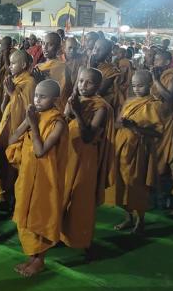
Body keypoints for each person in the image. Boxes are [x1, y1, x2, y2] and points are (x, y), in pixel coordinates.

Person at [7, 80, 68, 276]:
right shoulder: (34, 115)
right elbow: (11, 140)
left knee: (39, 215)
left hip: (45, 179)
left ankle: (39, 260)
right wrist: (27, 121)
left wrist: (32, 125)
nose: (37, 100)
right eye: (36, 95)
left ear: (56, 100)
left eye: (43, 96)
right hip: (26, 176)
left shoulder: (58, 121)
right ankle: (32, 256)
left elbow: (41, 151)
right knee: (26, 214)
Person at [61, 67, 115, 258]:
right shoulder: (77, 99)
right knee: (62, 195)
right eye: (81, 81)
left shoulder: (101, 107)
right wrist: (71, 105)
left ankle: (84, 240)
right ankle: (61, 235)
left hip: (85, 158)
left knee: (80, 199)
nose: (83, 85)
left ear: (98, 85)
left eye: (89, 82)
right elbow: (64, 118)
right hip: (68, 153)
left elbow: (88, 136)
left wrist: (77, 112)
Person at [108, 70, 162, 234]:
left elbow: (158, 132)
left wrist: (135, 127)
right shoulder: (129, 101)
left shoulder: (154, 104)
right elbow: (117, 123)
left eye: (141, 85)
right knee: (121, 184)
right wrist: (122, 124)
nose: (137, 89)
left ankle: (141, 220)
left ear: (150, 85)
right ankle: (128, 218)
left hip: (139, 151)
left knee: (136, 184)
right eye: (134, 85)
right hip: (121, 148)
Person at [0, 50, 35, 211]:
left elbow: (28, 109)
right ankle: (3, 198)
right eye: (10, 62)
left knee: (14, 164)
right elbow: (4, 108)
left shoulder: (29, 82)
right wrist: (7, 93)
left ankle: (16, 202)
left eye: (13, 63)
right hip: (6, 125)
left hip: (18, 129)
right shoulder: (13, 81)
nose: (10, 66)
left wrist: (12, 93)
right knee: (0, 159)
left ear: (23, 65)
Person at [151, 50, 173, 182]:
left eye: (158, 60)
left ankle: (163, 177)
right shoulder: (160, 74)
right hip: (155, 115)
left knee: (163, 149)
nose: (154, 62)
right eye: (154, 59)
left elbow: (169, 98)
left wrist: (156, 80)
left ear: (167, 62)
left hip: (167, 117)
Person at [34, 32, 72, 112]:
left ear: (58, 48)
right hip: (37, 106)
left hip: (53, 110)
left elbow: (63, 94)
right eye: (43, 43)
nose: (45, 47)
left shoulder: (63, 67)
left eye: (50, 44)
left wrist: (43, 81)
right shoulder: (38, 67)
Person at [90, 39, 123, 116]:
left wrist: (91, 68)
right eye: (95, 47)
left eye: (100, 49)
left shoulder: (111, 70)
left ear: (108, 54)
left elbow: (98, 92)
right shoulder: (86, 64)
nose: (96, 51)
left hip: (101, 108)